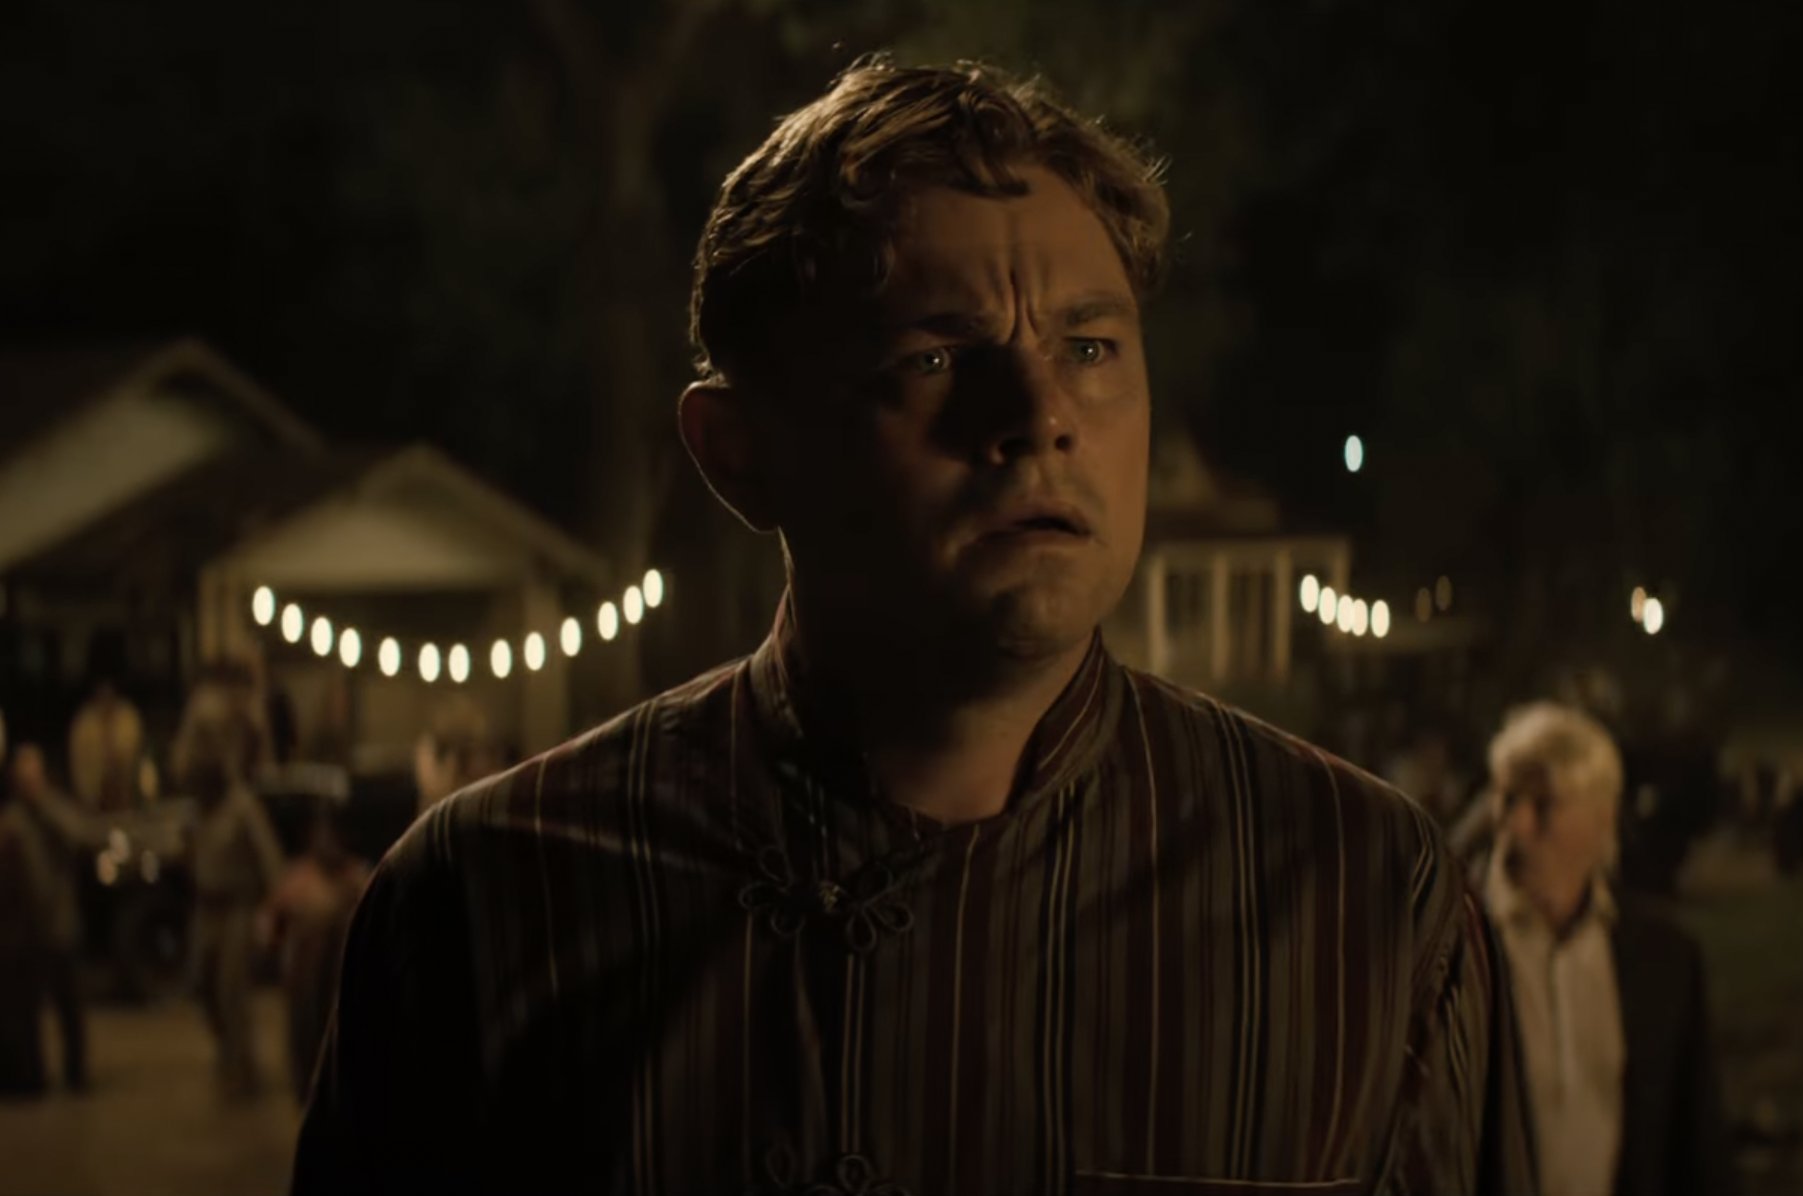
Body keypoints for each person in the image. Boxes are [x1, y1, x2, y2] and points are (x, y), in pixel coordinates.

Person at [296, 60, 1534, 1196]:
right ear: (738, 452)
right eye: (937, 358)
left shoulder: (1363, 897)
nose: (1040, 412)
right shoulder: (484, 902)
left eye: (1090, 344)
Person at [1478, 703, 1734, 1196]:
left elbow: (1697, 1143)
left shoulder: (1663, 958)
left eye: (1544, 804)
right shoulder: (1452, 946)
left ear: (1602, 818)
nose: (1519, 824)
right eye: (1508, 799)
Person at [176, 678, 287, 1101]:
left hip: (238, 907)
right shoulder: (199, 811)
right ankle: (226, 1052)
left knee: (231, 990)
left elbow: (271, 863)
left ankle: (243, 1068)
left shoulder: (242, 807)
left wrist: (271, 913)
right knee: (205, 986)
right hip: (206, 908)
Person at [264, 811, 367, 1103]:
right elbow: (274, 921)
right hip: (304, 970)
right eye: (320, 835)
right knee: (304, 1032)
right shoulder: (299, 876)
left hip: (341, 973)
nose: (326, 843)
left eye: (331, 836)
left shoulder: (355, 877)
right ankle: (307, 1090)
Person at [9, 744, 96, 1091]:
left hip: (61, 924)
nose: (29, 786)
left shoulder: (57, 811)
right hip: (28, 931)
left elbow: (82, 836)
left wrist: (45, 807)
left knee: (70, 1006)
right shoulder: (13, 821)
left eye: (34, 779)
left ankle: (77, 1073)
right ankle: (32, 1077)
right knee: (27, 1012)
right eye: (23, 780)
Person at [0, 752, 56, 1096]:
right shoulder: (13, 825)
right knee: (14, 1013)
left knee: (25, 1013)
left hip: (25, 934)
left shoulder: (37, 820)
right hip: (13, 936)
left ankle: (28, 1078)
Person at [69, 680, 143, 813]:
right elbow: (80, 764)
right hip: (95, 799)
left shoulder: (127, 717)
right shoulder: (84, 724)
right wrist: (91, 794)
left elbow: (133, 755)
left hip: (126, 793)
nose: (105, 701)